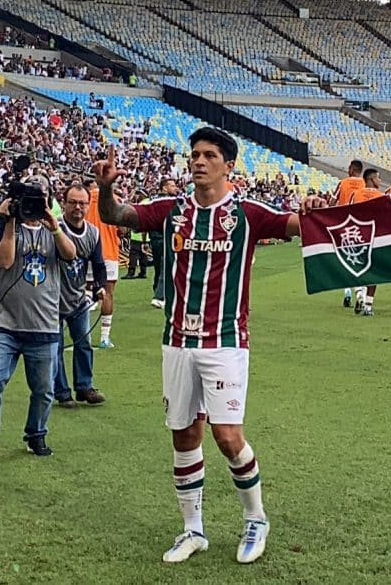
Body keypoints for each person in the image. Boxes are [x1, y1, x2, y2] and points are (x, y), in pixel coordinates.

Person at [92, 128, 324, 566]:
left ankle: (256, 519)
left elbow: (296, 225)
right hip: (177, 342)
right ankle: (192, 530)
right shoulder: (171, 210)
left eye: (209, 156)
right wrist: (104, 188)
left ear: (228, 165)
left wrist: (312, 210)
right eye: (195, 154)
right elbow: (116, 215)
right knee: (184, 435)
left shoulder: (248, 213)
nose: (198, 161)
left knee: (227, 436)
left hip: (226, 343)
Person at [0, 175, 77, 470]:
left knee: (44, 390)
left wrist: (53, 227)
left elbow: (70, 254)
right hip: (4, 323)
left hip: (43, 324)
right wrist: (11, 219)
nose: (33, 206)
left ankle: (36, 433)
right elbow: (4, 260)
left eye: (39, 199)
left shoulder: (56, 228)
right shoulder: (5, 225)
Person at [54, 182, 107, 408]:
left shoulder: (93, 232)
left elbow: (99, 264)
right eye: (73, 202)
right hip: (51, 299)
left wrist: (100, 286)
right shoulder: (54, 228)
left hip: (77, 297)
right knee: (54, 347)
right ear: (63, 203)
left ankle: (84, 386)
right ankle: (62, 392)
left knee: (83, 343)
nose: (78, 207)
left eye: (83, 203)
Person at [85, 177, 121, 349]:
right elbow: (123, 228)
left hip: (88, 251)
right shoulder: (114, 199)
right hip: (109, 251)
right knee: (107, 293)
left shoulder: (84, 199)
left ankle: (84, 334)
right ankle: (105, 338)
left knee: (84, 292)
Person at [351, 168, 384, 317]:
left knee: (357, 267)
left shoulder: (356, 194)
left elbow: (349, 213)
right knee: (374, 272)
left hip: (358, 235)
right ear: (371, 179)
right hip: (375, 236)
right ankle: (368, 306)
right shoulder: (381, 196)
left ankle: (359, 294)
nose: (380, 181)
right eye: (378, 178)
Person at [333, 159, 365, 308]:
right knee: (359, 259)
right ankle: (360, 292)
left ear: (352, 169)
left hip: (343, 225)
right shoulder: (365, 184)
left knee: (343, 258)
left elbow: (332, 202)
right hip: (361, 227)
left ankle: (347, 291)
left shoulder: (343, 183)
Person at [150, 176, 178, 309]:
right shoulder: (168, 203)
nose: (175, 188)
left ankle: (156, 290)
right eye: (172, 186)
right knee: (166, 267)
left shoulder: (153, 200)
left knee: (158, 266)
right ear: (164, 188)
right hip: (164, 237)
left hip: (154, 238)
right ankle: (160, 296)